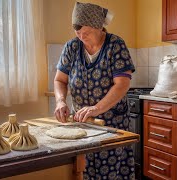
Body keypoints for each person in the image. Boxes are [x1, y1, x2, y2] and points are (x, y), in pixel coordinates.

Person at [54, 2, 135, 180]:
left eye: (87, 32)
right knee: (83, 169)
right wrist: (60, 100)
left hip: (112, 123)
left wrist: (97, 108)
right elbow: (60, 79)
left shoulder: (115, 45)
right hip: (82, 123)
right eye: (78, 32)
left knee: (112, 171)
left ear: (100, 27)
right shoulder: (72, 47)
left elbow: (122, 84)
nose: (82, 37)